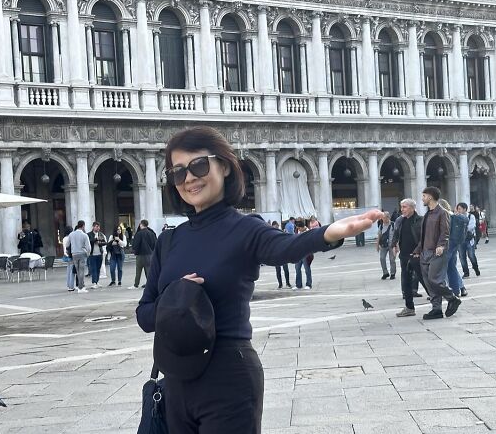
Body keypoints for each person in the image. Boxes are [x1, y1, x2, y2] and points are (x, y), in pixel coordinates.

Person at [136, 126, 383, 434]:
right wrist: (176, 296)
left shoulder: (245, 229)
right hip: (174, 385)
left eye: (199, 166)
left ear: (224, 166)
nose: (188, 179)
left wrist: (328, 233)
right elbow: (144, 316)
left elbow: (285, 248)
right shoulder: (168, 241)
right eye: (178, 172)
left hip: (228, 379)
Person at [411, 187, 462, 320]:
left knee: (435, 280)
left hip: (437, 252)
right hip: (425, 252)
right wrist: (418, 250)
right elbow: (425, 235)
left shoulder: (442, 213)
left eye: (423, 196)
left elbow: (445, 232)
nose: (422, 199)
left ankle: (452, 298)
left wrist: (441, 245)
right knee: (428, 282)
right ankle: (436, 309)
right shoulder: (428, 214)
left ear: (430, 197)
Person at [391, 199, 423, 317]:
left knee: (424, 280)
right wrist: (394, 244)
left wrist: (417, 251)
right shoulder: (400, 220)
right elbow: (396, 233)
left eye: (404, 207)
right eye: (401, 207)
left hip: (416, 255)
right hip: (404, 255)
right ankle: (409, 307)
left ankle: (439, 303)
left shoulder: (420, 220)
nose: (402, 209)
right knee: (406, 282)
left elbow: (423, 239)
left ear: (412, 208)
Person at [442, 200, 467, 298]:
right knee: (452, 267)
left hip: (447, 244)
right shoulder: (453, 215)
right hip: (455, 243)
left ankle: (444, 290)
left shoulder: (445, 215)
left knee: (442, 268)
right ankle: (457, 290)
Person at [456, 203, 480, 278]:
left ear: (465, 209)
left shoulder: (471, 216)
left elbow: (471, 227)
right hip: (460, 240)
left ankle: (475, 268)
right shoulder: (456, 217)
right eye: (458, 209)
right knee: (462, 257)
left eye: (460, 209)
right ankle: (466, 272)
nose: (458, 210)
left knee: (471, 255)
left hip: (469, 239)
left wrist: (461, 228)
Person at [131, 219, 157, 288]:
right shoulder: (151, 233)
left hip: (140, 254)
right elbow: (154, 243)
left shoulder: (139, 234)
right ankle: (150, 284)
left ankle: (136, 284)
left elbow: (136, 244)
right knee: (148, 270)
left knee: (138, 270)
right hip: (149, 254)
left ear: (141, 224)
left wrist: (135, 251)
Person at [68, 220, 90, 293]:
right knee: (81, 271)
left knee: (77, 271)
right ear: (83, 226)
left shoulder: (71, 234)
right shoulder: (84, 235)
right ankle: (81, 287)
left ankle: (80, 286)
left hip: (74, 253)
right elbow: (88, 247)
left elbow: (67, 244)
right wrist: (88, 253)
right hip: (82, 253)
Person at [271, 221, 292, 289]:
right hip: (275, 254)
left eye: (276, 226)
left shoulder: (281, 232)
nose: (276, 227)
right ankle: (280, 284)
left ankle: (288, 283)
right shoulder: (271, 234)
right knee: (278, 270)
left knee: (285, 269)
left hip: (283, 253)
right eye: (274, 226)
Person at [376, 212, 396, 280]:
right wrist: (377, 245)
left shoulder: (393, 224)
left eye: (384, 218)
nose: (383, 219)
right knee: (382, 258)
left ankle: (392, 273)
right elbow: (379, 236)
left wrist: (397, 246)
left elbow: (396, 235)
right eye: (382, 218)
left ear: (388, 217)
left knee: (392, 259)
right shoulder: (381, 226)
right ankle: (385, 273)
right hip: (383, 245)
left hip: (392, 245)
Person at [87, 222, 107, 289]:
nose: (97, 228)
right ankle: (94, 282)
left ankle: (97, 281)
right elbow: (89, 241)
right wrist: (96, 239)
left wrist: (100, 243)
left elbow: (105, 242)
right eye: (96, 226)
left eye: (98, 226)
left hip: (99, 254)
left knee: (98, 268)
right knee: (93, 269)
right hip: (92, 254)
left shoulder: (101, 234)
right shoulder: (89, 234)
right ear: (93, 227)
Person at [61, 225, 75, 291]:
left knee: (68, 270)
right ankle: (71, 286)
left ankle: (68, 284)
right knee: (72, 271)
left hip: (66, 255)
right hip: (71, 255)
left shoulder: (64, 238)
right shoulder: (70, 238)